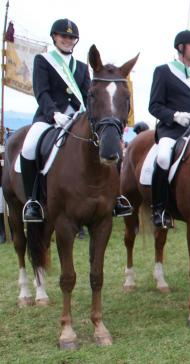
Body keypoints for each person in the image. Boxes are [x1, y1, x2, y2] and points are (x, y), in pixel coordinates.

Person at [20, 19, 132, 221]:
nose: (67, 40)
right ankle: (33, 201)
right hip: (50, 118)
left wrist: (88, 115)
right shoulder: (43, 60)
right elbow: (41, 92)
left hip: (78, 118)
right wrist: (54, 113)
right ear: (54, 37)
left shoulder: (81, 67)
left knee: (111, 143)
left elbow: (88, 95)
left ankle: (117, 197)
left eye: (72, 37)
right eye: (63, 36)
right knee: (29, 147)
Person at [148, 30, 190, 228]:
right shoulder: (163, 71)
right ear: (181, 47)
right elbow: (154, 106)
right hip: (173, 130)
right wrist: (175, 116)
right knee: (162, 157)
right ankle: (160, 209)